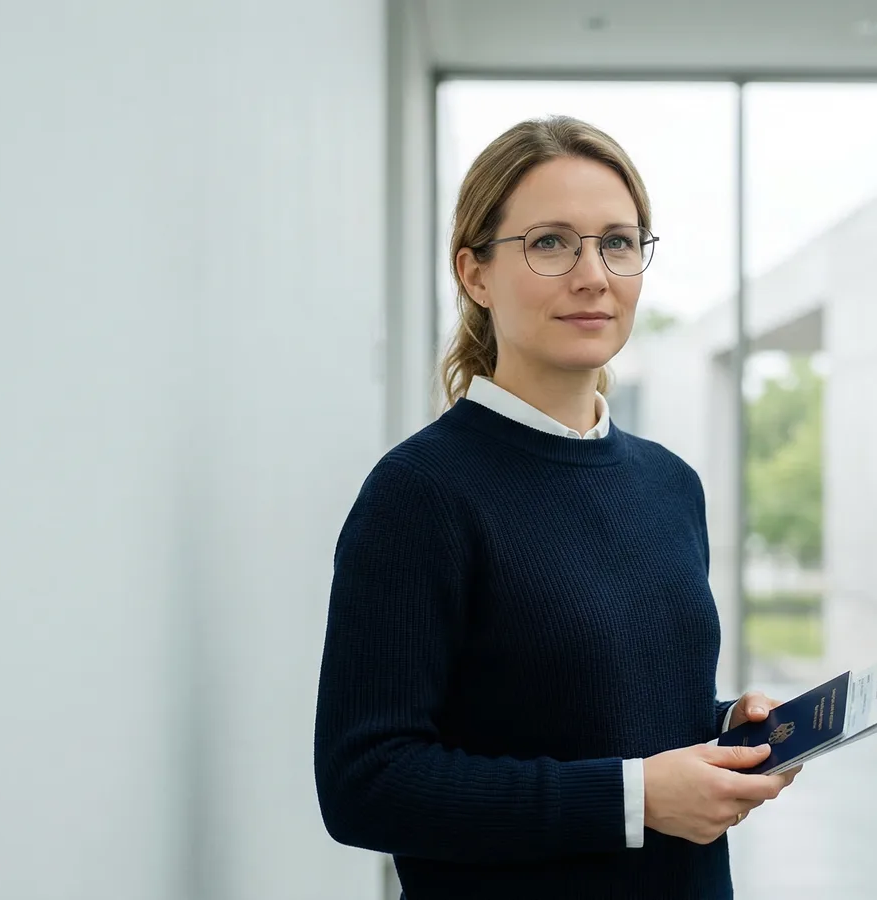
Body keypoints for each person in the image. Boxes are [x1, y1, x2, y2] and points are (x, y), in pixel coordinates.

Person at [313, 115, 798, 899]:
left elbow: (591, 717)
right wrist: (634, 797)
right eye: (549, 243)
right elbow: (366, 783)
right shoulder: (420, 494)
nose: (592, 275)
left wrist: (723, 732)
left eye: (617, 241)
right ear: (474, 274)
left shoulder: (672, 484)